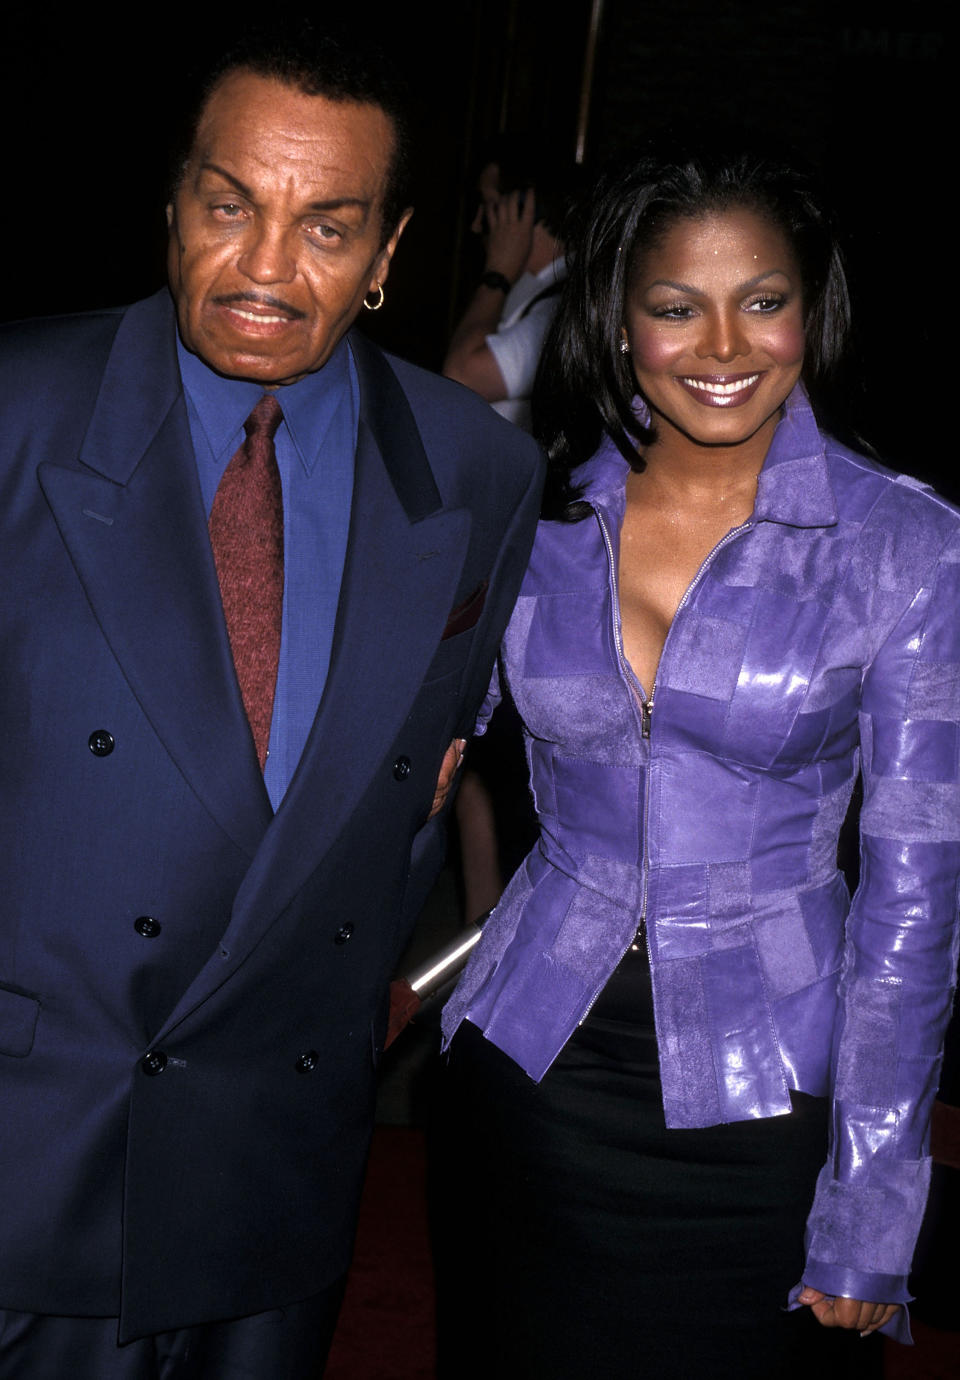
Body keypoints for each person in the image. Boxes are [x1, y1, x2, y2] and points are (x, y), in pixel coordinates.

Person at [0, 28, 541, 1380]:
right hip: (29, 1153)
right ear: (174, 201)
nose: (262, 268)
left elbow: (422, 788)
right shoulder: (18, 405)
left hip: (278, 1181)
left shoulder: (475, 471)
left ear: (391, 252)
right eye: (229, 204)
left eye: (327, 225)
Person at [437, 143, 960, 1379]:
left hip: (773, 1107)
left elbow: (917, 898)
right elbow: (410, 764)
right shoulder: (532, 520)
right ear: (619, 326)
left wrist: (874, 1201)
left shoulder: (902, 545)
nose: (724, 346)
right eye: (677, 307)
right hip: (531, 1078)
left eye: (762, 301)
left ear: (809, 311)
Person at [442, 135, 571, 431]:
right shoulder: (530, 289)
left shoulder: (564, 303)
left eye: (488, 206)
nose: (477, 224)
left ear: (525, 209)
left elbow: (461, 376)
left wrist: (496, 273)